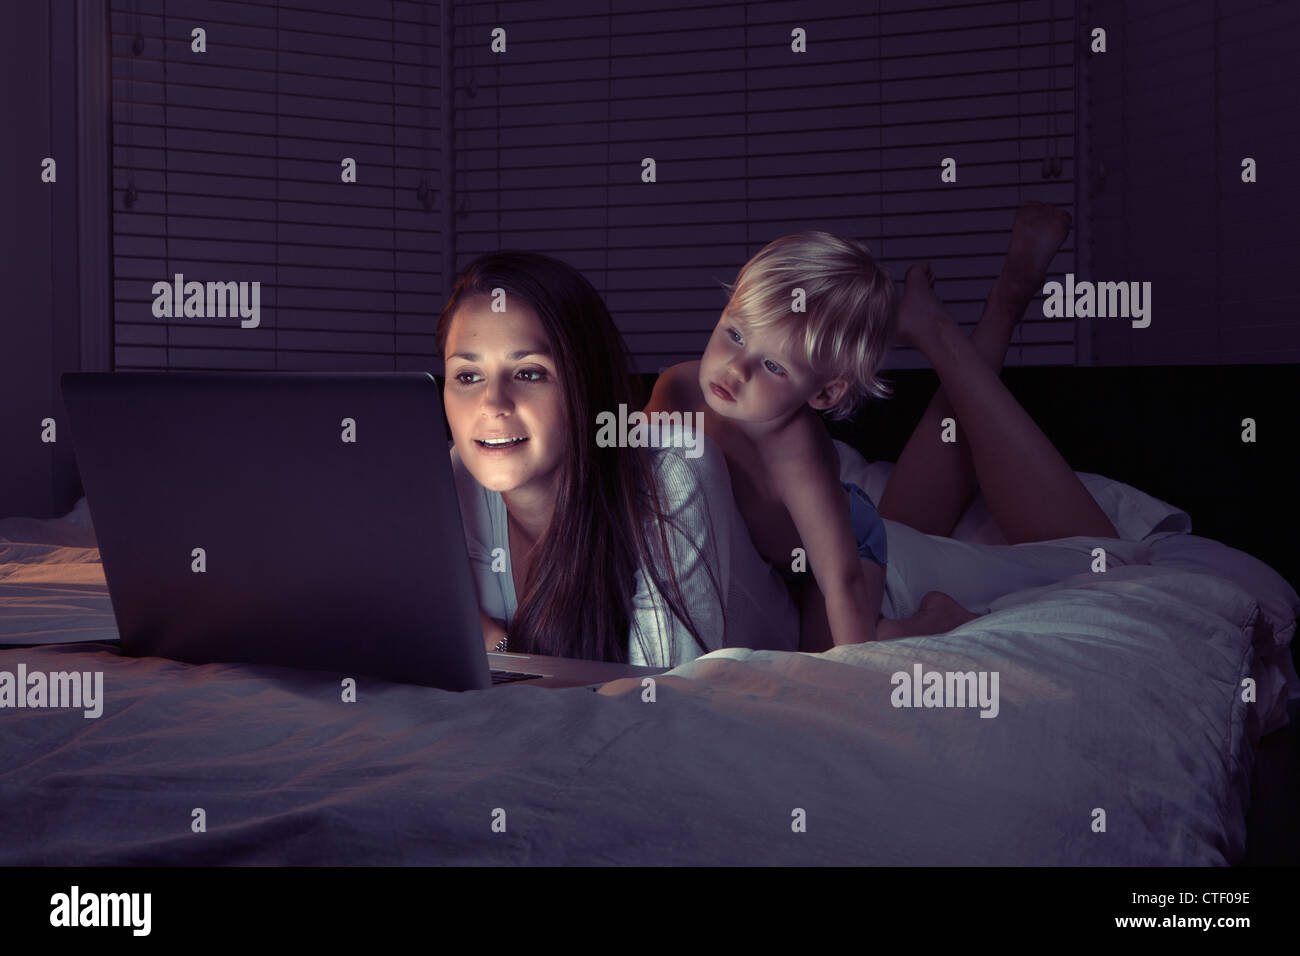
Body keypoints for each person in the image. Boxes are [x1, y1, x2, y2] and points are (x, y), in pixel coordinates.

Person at [647, 200, 1118, 651]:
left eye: (773, 366)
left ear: (825, 394)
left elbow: (842, 581)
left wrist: (859, 659)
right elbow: (626, 477)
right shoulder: (678, 388)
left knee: (831, 656)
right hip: (776, 553)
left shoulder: (797, 452)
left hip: (844, 542)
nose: (735, 370)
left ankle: (932, 622)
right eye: (734, 334)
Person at [437, 250, 800, 668]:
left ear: (584, 388)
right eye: (467, 376)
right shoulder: (453, 480)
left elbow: (662, 698)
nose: (492, 404)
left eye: (529, 373)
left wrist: (493, 646)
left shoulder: (673, 473)